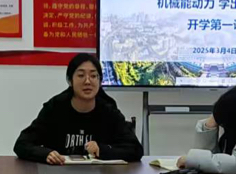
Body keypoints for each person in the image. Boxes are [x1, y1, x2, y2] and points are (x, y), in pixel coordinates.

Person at [14, 53, 143, 164]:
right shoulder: (55, 108)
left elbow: (135, 149)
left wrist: (102, 150)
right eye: (81, 75)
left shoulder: (108, 111)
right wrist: (45, 154)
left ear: (100, 81)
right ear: (70, 81)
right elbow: (22, 144)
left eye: (93, 76)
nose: (88, 81)